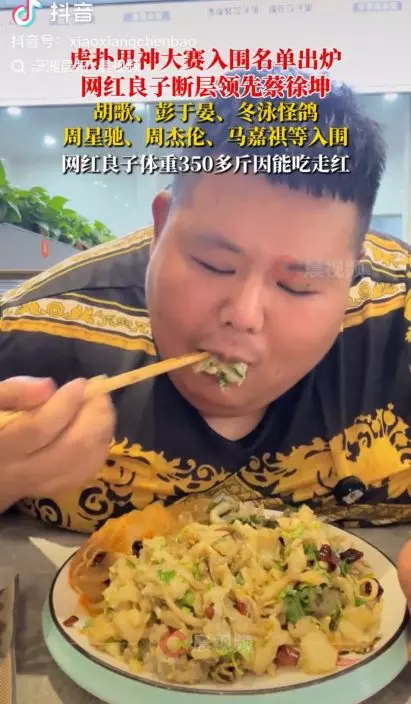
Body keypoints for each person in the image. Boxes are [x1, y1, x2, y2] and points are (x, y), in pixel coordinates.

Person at [0, 69, 410, 538]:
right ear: (159, 229)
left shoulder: (399, 319)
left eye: (298, 285)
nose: (244, 315)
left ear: (353, 269)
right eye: (214, 264)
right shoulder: (34, 329)